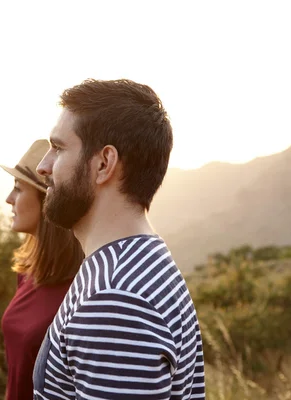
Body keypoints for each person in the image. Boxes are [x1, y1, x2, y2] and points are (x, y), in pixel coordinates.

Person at [32, 79, 205, 399]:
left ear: (103, 163)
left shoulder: (115, 296)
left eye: (57, 148)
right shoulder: (136, 263)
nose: (43, 167)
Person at [0, 139, 85, 400]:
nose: (8, 199)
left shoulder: (79, 287)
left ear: (46, 201)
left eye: (18, 189)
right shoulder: (28, 271)